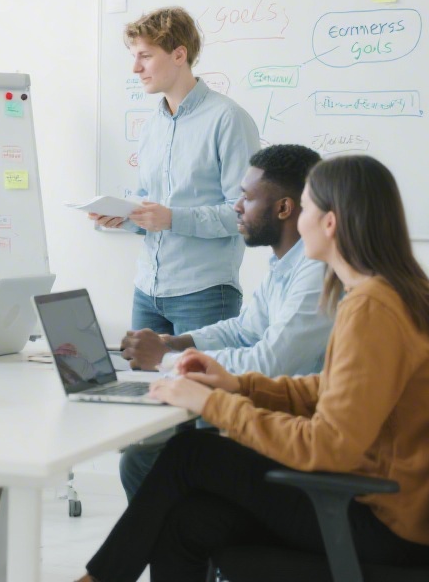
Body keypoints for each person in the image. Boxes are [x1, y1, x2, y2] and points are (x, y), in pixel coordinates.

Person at [78, 155, 429, 581]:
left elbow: (328, 446)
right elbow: (329, 389)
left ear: (330, 223)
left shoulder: (372, 306)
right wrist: (236, 384)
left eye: (307, 203)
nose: (299, 216)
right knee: (190, 521)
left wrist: (215, 403)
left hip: (389, 521)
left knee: (190, 453)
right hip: (409, 510)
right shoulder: (389, 292)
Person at [115, 144, 332, 499]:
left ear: (283, 208)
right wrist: (176, 342)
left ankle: (189, 548)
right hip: (283, 422)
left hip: (297, 435)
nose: (236, 206)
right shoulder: (286, 265)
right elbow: (244, 330)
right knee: (150, 455)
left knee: (147, 459)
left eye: (246, 197)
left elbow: (272, 361)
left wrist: (166, 361)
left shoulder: (317, 273)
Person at [91, 6, 260, 335]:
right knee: (142, 386)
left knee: (198, 387)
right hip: (147, 292)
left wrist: (172, 218)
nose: (136, 68)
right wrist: (125, 216)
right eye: (134, 56)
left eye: (145, 56)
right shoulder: (152, 125)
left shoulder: (228, 119)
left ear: (179, 54)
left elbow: (244, 214)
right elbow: (150, 202)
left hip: (205, 293)